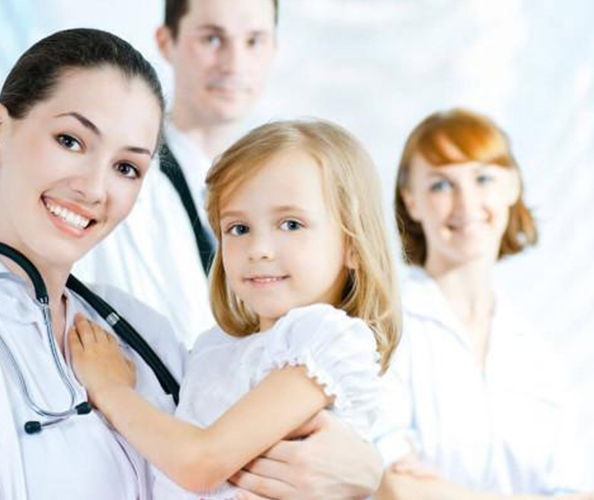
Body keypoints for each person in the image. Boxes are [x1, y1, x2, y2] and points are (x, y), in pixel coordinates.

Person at [0, 29, 380, 500]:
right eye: (70, 141)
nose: (94, 188)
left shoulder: (140, 333)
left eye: (126, 167)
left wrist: (369, 473)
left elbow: (225, 448)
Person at [69, 120, 401, 499]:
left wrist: (110, 388)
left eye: (291, 224)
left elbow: (200, 464)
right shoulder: (215, 348)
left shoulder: (326, 338)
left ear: (353, 246)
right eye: (239, 228)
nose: (258, 249)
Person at [373, 108, 593, 500]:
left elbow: (578, 491)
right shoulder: (384, 328)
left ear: (512, 187)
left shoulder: (539, 354)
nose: (465, 203)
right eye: (441, 185)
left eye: (483, 178)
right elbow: (396, 488)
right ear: (411, 201)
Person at [83, 0, 278, 347]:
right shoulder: (112, 183)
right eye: (212, 39)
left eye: (254, 41)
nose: (234, 64)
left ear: (273, 48)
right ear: (166, 42)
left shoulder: (284, 192)